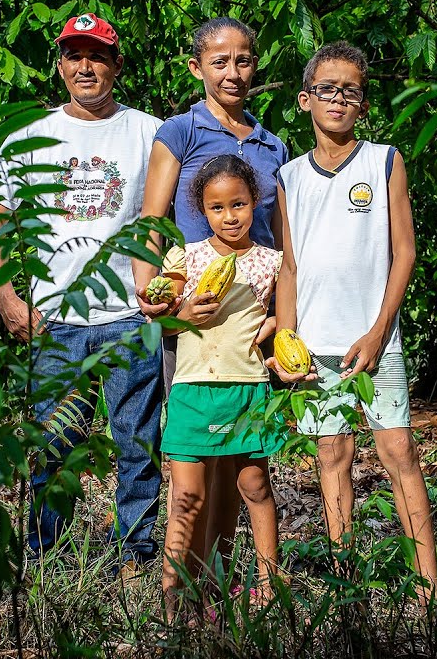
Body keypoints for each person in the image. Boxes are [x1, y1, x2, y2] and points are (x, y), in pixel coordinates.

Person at [0, 12, 164, 575]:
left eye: (98, 55)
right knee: (52, 446)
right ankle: (44, 556)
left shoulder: (151, 132)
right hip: (54, 318)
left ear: (116, 65)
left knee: (137, 440)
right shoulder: (27, 139)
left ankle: (134, 554)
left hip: (131, 315)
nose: (86, 66)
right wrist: (7, 296)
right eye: (74, 55)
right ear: (59, 65)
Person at [269, 41, 437, 604]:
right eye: (327, 90)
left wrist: (377, 331)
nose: (338, 100)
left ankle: (429, 591)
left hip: (376, 343)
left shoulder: (384, 160)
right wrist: (286, 342)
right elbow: (289, 266)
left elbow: (404, 252)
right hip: (315, 347)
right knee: (331, 456)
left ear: (363, 104)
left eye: (351, 91)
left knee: (399, 455)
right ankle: (349, 590)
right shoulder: (287, 177)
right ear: (305, 101)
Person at [132, 17, 289, 568]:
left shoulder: (274, 144)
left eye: (243, 59)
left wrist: (283, 321)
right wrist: (153, 297)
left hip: (251, 320)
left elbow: (281, 240)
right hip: (193, 320)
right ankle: (188, 581)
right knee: (196, 463)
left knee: (241, 466)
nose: (233, 72)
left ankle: (221, 584)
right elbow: (150, 222)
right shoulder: (181, 131)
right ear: (198, 68)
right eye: (220, 61)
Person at [157, 155, 282, 619]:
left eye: (239, 204)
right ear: (201, 210)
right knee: (189, 494)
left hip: (247, 388)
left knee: (254, 485)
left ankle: (268, 584)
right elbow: (160, 318)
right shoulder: (184, 258)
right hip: (192, 388)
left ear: (255, 203)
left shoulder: (272, 263)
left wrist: (273, 325)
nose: (229, 216)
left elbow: (286, 317)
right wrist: (179, 314)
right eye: (217, 208)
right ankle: (174, 596)